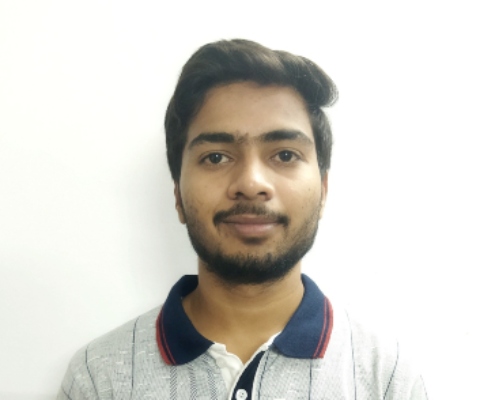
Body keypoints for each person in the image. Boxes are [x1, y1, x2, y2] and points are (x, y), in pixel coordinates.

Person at [57, 39, 427, 399]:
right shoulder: (99, 379)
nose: (251, 184)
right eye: (216, 157)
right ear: (178, 194)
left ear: (324, 189)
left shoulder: (386, 378)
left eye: (285, 155)